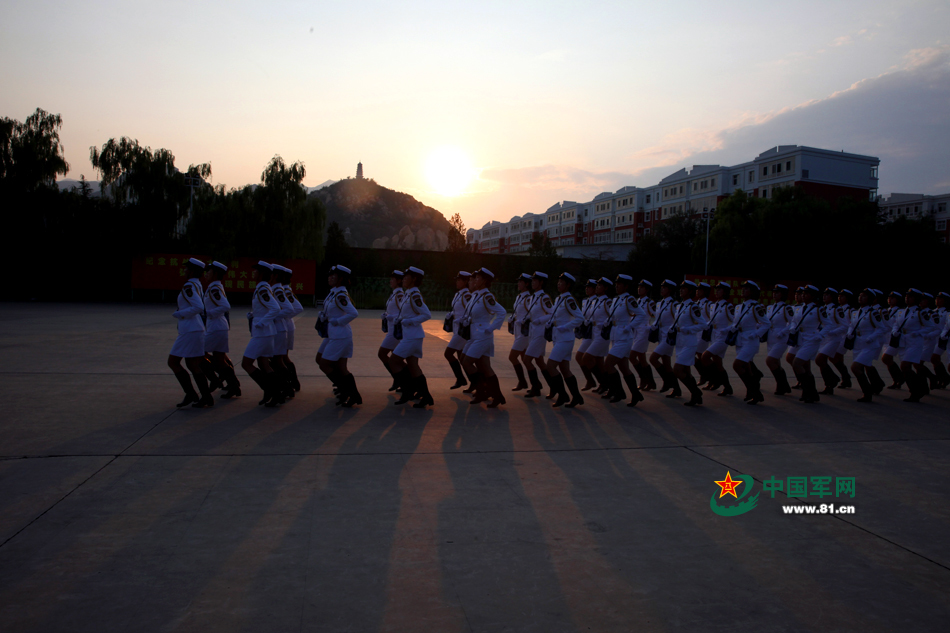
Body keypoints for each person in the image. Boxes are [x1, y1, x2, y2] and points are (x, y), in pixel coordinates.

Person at [168, 258, 214, 408]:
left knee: (173, 362)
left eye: (187, 269)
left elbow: (198, 307)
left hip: (190, 330)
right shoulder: (196, 284)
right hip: (193, 329)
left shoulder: (189, 285)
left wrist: (180, 314)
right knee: (192, 363)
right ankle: (204, 397)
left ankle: (192, 394)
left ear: (193, 271)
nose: (184, 270)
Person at [460, 268, 508, 407]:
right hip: (474, 333)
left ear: (485, 281)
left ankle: (481, 391)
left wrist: (491, 327)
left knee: (467, 362)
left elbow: (502, 312)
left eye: (478, 278)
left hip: (482, 334)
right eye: (475, 278)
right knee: (484, 366)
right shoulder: (476, 295)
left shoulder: (487, 296)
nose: (475, 280)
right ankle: (497, 396)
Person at [315, 265, 361, 407]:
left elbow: (353, 313)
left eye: (333, 276)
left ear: (341, 278)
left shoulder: (341, 295)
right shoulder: (334, 293)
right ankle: (351, 393)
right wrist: (325, 316)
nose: (329, 278)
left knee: (324, 364)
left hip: (340, 335)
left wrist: (337, 321)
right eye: (329, 275)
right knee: (337, 366)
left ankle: (347, 391)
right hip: (333, 334)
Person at [390, 266, 435, 408]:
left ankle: (407, 391)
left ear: (414, 279)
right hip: (410, 335)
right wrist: (399, 319)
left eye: (406, 277)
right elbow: (407, 313)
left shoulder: (415, 295)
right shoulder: (408, 294)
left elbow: (426, 314)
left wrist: (410, 321)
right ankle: (426, 396)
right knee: (413, 366)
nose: (403, 279)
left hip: (412, 336)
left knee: (393, 361)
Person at [601, 274, 646, 407]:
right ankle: (636, 394)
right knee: (624, 368)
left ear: (626, 286)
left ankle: (619, 392)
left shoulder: (629, 299)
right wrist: (607, 321)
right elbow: (613, 315)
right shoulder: (616, 299)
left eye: (619, 284)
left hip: (624, 337)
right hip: (616, 336)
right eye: (616, 284)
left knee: (608, 364)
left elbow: (641, 314)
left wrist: (630, 326)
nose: (617, 286)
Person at [243, 260, 281, 406]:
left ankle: (272, 391)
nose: (253, 272)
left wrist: (262, 322)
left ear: (262, 273)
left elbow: (275, 308)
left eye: (256, 271)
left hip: (262, 332)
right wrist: (255, 315)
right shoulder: (262, 288)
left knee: (246, 363)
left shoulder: (262, 289)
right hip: (264, 332)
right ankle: (274, 394)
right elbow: (265, 309)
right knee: (264, 364)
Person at [544, 272, 584, 407]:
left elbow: (580, 318)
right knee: (565, 369)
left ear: (568, 285)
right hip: (558, 337)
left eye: (562, 283)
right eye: (558, 282)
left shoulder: (569, 300)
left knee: (550, 366)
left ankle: (563, 395)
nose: (559, 284)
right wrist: (550, 323)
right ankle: (577, 396)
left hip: (565, 339)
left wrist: (566, 327)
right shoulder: (559, 299)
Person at [203, 260, 241, 399]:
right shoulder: (214, 287)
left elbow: (225, 306)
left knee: (199, 354)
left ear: (215, 274)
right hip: (218, 326)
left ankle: (216, 380)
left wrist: (209, 313)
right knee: (220, 359)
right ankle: (233, 386)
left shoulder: (215, 288)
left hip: (216, 326)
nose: (206, 274)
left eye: (209, 271)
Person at [668, 280, 709, 406]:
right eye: (681, 288)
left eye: (684, 288)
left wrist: (688, 329)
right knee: (686, 370)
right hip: (680, 342)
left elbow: (703, 324)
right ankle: (695, 396)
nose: (681, 290)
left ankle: (696, 392)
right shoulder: (680, 306)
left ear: (690, 291)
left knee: (677, 369)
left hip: (689, 342)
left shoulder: (693, 306)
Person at [728, 280, 769, 405]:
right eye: (743, 288)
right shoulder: (739, 307)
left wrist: (756, 334)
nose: (743, 290)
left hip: (750, 340)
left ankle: (755, 392)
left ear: (752, 292)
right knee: (747, 367)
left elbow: (766, 324)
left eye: (746, 289)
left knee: (737, 365)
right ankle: (752, 393)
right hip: (740, 339)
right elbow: (736, 323)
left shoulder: (756, 307)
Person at [848, 288, 887, 403]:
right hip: (858, 344)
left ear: (870, 299)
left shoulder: (873, 313)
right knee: (864, 366)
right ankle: (876, 385)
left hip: (869, 345)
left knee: (855, 367)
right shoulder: (855, 312)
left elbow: (882, 328)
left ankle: (867, 392)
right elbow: (851, 325)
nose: (861, 298)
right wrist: (849, 333)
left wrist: (872, 337)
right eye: (860, 295)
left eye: (864, 296)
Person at [893, 288, 928, 402]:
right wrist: (895, 331)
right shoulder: (901, 311)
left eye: (910, 297)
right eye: (906, 296)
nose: (907, 298)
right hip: (903, 342)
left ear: (916, 299)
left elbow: (931, 327)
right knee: (905, 368)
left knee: (905, 366)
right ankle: (916, 391)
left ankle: (918, 390)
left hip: (915, 343)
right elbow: (896, 324)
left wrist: (919, 332)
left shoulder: (920, 312)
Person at [700, 282, 735, 396]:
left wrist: (727, 329)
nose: (717, 292)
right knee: (718, 363)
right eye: (716, 289)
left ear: (725, 292)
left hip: (723, 337)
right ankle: (727, 387)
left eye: (719, 290)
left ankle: (716, 380)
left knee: (705, 356)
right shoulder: (713, 305)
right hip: (714, 336)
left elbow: (736, 322)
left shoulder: (728, 306)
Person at [790, 285, 823, 403]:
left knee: (796, 363)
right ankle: (811, 394)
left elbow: (828, 324)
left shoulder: (818, 309)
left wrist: (820, 335)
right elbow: (794, 321)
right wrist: (793, 328)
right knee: (806, 368)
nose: (803, 296)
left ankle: (808, 391)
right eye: (802, 293)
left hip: (812, 339)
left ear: (813, 296)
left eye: (806, 294)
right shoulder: (799, 308)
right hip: (801, 339)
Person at [522, 272, 552, 398]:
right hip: (533, 332)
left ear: (541, 282)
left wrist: (540, 320)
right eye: (532, 280)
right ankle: (554, 387)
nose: (533, 283)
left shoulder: (544, 297)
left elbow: (552, 314)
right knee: (540, 361)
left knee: (527, 360)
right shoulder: (534, 296)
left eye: (535, 281)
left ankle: (536, 387)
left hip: (540, 333)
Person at [580, 278, 613, 393]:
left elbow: (613, 316)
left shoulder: (607, 302)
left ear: (606, 288)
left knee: (586, 358)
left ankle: (605, 383)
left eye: (599, 286)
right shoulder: (596, 301)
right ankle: (603, 384)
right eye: (597, 286)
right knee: (599, 361)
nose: (597, 288)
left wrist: (605, 323)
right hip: (593, 333)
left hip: (602, 334)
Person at [649, 279, 681, 396]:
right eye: (661, 287)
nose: (662, 289)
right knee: (666, 364)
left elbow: (679, 320)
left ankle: (667, 381)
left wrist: (674, 328)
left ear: (670, 290)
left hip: (668, 337)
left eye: (665, 288)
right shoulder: (660, 303)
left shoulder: (674, 304)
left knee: (653, 359)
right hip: (661, 335)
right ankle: (676, 389)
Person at [277, 265, 305, 393]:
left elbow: (298, 308)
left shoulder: (285, 291)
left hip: (285, 325)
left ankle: (291, 383)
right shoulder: (284, 290)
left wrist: (285, 317)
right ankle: (292, 382)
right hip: (286, 324)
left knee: (281, 357)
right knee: (282, 357)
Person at [815, 288, 848, 396]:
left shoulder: (836, 309)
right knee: (822, 362)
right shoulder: (822, 308)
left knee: (820, 359)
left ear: (832, 297)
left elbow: (845, 325)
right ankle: (829, 385)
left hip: (833, 339)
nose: (824, 297)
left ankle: (833, 379)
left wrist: (833, 332)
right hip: (823, 339)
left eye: (827, 295)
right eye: (824, 295)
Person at [763, 284, 795, 396]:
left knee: (770, 361)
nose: (774, 294)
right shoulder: (769, 307)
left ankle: (782, 384)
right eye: (774, 292)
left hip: (781, 338)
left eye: (777, 292)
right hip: (771, 337)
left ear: (783, 294)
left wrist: (784, 331)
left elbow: (793, 323)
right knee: (776, 362)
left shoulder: (786, 308)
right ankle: (782, 386)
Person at [444, 271, 472, 390]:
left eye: (459, 280)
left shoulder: (467, 295)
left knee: (448, 353)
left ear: (465, 282)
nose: (457, 282)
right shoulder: (458, 294)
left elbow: (471, 311)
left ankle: (461, 378)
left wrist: (463, 319)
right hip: (457, 329)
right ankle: (473, 382)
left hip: (463, 330)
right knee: (462, 358)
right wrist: (452, 314)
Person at [378, 269, 406, 392]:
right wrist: (387, 315)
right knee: (397, 358)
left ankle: (399, 379)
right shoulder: (395, 294)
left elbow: (404, 313)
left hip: (395, 332)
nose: (390, 281)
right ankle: (404, 381)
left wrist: (392, 317)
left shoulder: (400, 295)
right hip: (392, 330)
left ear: (398, 281)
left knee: (382, 354)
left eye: (392, 279)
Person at [629, 280, 657, 390]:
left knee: (631, 356)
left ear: (647, 290)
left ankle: (644, 378)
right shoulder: (638, 301)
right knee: (642, 358)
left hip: (643, 333)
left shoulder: (650, 302)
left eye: (642, 287)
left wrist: (649, 327)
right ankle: (650, 382)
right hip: (636, 332)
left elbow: (657, 316)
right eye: (639, 287)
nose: (639, 289)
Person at [508, 273, 534, 391]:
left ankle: (523, 381)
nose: (518, 283)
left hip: (524, 333)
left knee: (512, 357)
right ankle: (534, 385)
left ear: (527, 284)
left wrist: (526, 318)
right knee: (524, 359)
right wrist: (514, 318)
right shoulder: (520, 297)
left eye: (520, 282)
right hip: (518, 331)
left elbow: (533, 313)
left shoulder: (528, 298)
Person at [575, 279, 599, 391]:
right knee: (581, 357)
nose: (587, 289)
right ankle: (591, 380)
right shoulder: (585, 301)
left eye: (589, 287)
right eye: (586, 287)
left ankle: (602, 382)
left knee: (588, 358)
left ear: (595, 289)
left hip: (595, 332)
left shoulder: (598, 301)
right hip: (587, 332)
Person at [881, 290, 905, 389]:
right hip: (886, 339)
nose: (890, 300)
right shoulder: (886, 311)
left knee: (886, 358)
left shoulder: (900, 312)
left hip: (895, 339)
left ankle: (900, 377)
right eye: (889, 298)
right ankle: (896, 380)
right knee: (888, 361)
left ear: (897, 300)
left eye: (892, 298)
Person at [832, 289, 856, 388]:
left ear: (847, 298)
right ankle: (845, 379)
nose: (839, 298)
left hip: (845, 337)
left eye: (842, 296)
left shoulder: (851, 310)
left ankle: (846, 376)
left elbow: (853, 324)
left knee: (834, 356)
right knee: (838, 358)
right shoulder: (838, 309)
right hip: (838, 336)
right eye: (839, 296)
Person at [693, 282, 713, 386]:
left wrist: (708, 324)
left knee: (700, 355)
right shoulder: (695, 304)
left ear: (705, 292)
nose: (697, 291)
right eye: (697, 289)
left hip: (703, 333)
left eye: (700, 290)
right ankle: (706, 375)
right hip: (695, 332)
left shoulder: (708, 304)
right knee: (696, 355)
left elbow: (713, 318)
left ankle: (708, 376)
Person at [929, 291, 950, 387]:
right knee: (934, 360)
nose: (937, 301)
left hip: (943, 339)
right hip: (933, 339)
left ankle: (944, 378)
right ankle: (942, 379)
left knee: (934, 358)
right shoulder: (932, 312)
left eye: (940, 299)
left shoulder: (946, 313)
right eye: (937, 299)